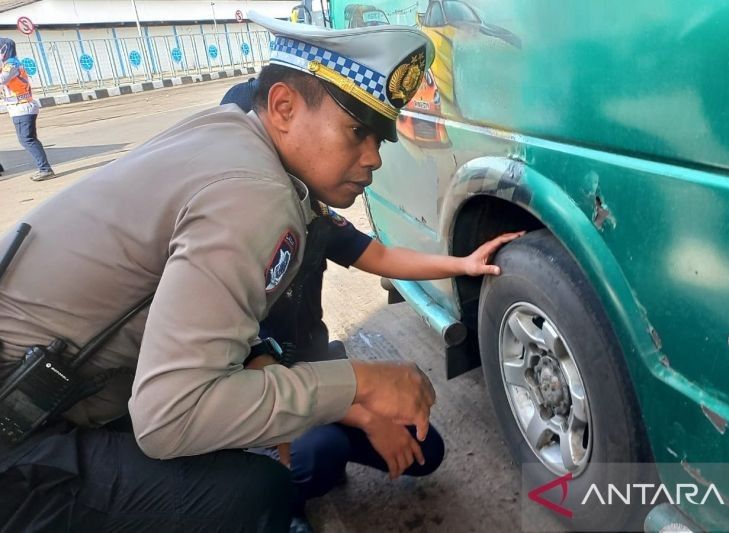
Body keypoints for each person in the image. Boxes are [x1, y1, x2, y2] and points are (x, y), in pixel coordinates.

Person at [0, 17, 440, 531]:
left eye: (380, 139)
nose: (373, 158)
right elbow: (170, 417)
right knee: (250, 494)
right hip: (19, 432)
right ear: (283, 108)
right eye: (357, 131)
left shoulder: (226, 136)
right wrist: (358, 382)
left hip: (64, 395)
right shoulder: (256, 193)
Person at [221, 75, 522, 533]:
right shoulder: (222, 245)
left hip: (321, 380)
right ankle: (280, 502)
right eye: (355, 133)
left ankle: (321, 446)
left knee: (427, 451)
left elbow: (380, 255)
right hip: (268, 404)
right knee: (318, 454)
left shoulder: (310, 213)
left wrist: (462, 262)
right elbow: (258, 375)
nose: (372, 159)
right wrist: (365, 417)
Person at [0, 37, 55, 182]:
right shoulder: (10, 64)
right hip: (21, 107)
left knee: (27, 139)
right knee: (28, 139)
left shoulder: (10, 65)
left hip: (22, 107)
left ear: (4, 49)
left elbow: (2, 79)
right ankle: (44, 168)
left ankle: (45, 169)